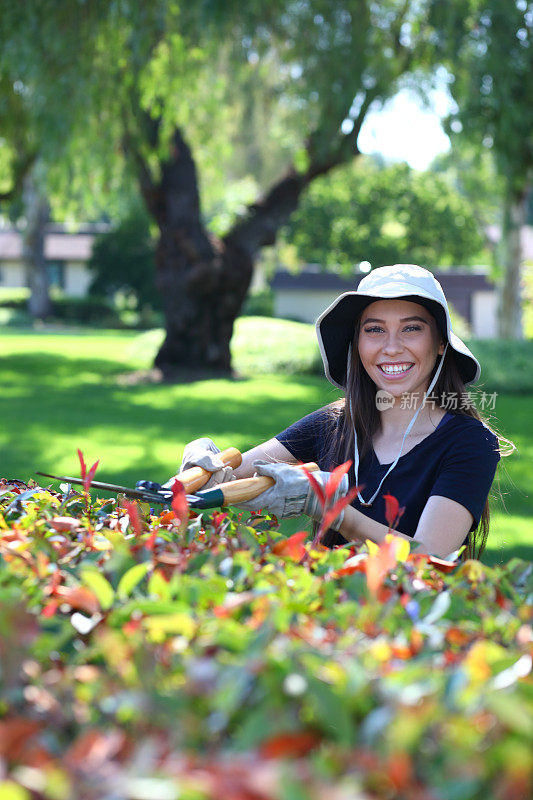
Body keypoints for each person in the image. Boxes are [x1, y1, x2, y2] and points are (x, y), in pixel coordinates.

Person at [174, 264, 512, 560]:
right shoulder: (334, 423)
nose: (391, 347)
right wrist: (203, 459)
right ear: (357, 343)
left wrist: (334, 511)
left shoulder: (471, 442)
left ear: (441, 343)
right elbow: (231, 478)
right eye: (374, 329)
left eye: (412, 328)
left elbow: (429, 558)